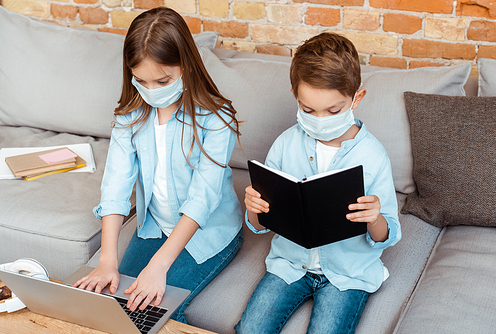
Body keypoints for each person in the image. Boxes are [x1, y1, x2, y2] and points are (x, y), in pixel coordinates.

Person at [73, 7, 243, 323]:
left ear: (187, 67)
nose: (151, 92)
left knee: (153, 314)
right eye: (141, 81)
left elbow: (201, 200)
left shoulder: (217, 121)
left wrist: (159, 265)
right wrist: (107, 259)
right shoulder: (130, 117)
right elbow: (116, 184)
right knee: (109, 309)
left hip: (206, 233)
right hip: (154, 227)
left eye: (163, 81)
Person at [235, 32, 401, 334]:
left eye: (334, 111)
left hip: (349, 273)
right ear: (295, 97)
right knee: (250, 329)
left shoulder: (373, 155)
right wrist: (254, 208)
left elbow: (387, 235)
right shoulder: (285, 144)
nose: (320, 119)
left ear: (357, 98)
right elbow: (259, 225)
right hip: (289, 266)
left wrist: (374, 218)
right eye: (308, 110)